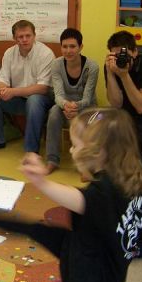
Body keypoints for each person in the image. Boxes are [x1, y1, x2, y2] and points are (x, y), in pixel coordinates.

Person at [0, 107, 142, 282]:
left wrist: (41, 182)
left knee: (32, 229)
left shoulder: (103, 193)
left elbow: (77, 198)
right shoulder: (130, 184)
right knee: (35, 230)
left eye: (75, 145)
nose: (71, 150)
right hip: (103, 266)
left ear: (96, 152)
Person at [0, 19, 55, 151]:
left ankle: (31, 149)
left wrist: (12, 92)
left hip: (40, 99)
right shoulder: (9, 53)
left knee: (34, 100)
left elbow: (43, 88)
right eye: (20, 36)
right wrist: (3, 91)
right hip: (18, 99)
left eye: (28, 35)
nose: (24, 39)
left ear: (34, 36)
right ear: (14, 38)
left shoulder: (46, 54)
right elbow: (1, 80)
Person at [45, 28, 99, 173]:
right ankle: (52, 160)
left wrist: (75, 106)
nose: (68, 51)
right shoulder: (56, 64)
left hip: (87, 107)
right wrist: (65, 105)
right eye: (65, 46)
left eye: (72, 46)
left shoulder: (92, 67)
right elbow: (58, 95)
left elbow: (87, 98)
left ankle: (85, 163)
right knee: (53, 113)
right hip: (64, 106)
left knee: (89, 119)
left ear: (80, 47)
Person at [105, 30, 142, 158]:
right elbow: (116, 104)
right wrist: (110, 73)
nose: (121, 59)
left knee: (138, 138)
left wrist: (124, 76)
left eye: (124, 55)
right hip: (124, 115)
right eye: (117, 56)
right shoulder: (112, 65)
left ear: (135, 52)